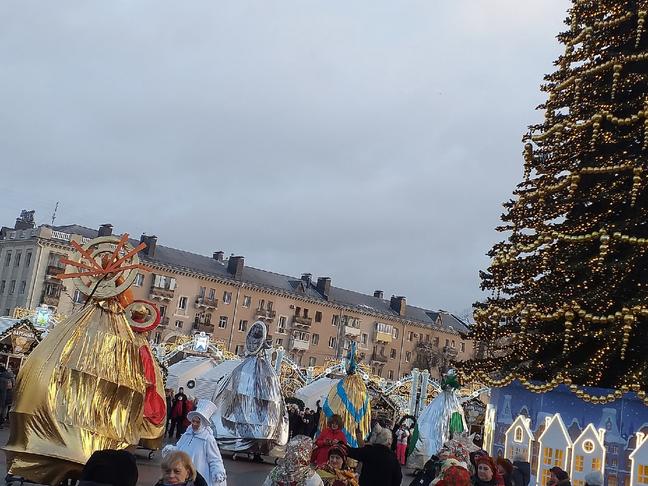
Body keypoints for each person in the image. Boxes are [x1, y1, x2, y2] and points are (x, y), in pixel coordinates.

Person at [172, 400, 227, 486]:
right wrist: (172, 450)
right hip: (182, 474)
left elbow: (215, 459)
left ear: (203, 423)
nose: (194, 424)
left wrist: (217, 471)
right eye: (193, 421)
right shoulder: (187, 434)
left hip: (198, 477)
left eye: (197, 422)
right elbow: (179, 448)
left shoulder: (207, 439)